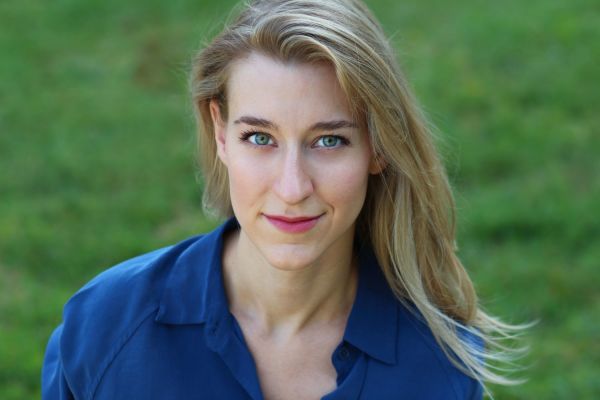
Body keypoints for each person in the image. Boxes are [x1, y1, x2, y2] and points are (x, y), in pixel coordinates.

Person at [42, 0, 527, 398]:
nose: (293, 189)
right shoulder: (106, 327)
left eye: (329, 140)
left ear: (378, 147)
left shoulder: (440, 367)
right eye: (260, 138)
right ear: (221, 134)